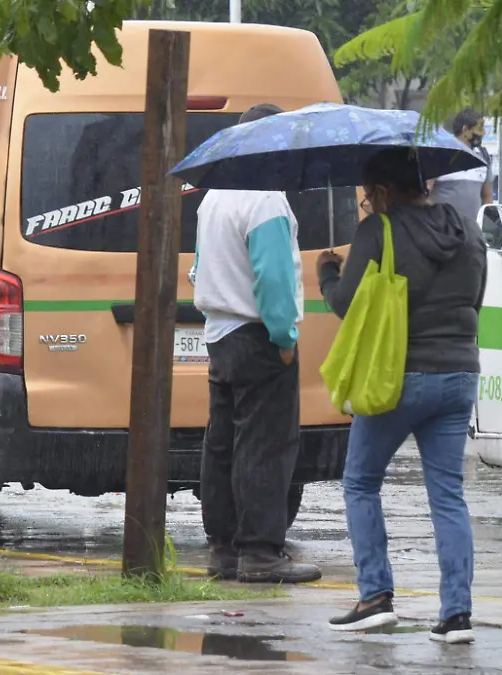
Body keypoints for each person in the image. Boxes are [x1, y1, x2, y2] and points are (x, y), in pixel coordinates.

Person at [316, 147, 486, 643]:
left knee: (361, 481)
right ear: (425, 184)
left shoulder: (379, 231)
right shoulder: (467, 230)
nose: (368, 204)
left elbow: (347, 305)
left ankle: (375, 597)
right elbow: (474, 297)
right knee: (448, 495)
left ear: (385, 192)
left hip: (398, 376)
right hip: (459, 373)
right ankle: (457, 615)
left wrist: (328, 273)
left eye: (369, 197)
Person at [192, 103, 322, 585]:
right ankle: (260, 553)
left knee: (222, 444)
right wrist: (285, 337)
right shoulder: (266, 201)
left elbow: (199, 265)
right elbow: (273, 281)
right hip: (259, 336)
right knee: (265, 446)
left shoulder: (214, 197)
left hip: (220, 334)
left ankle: (223, 549)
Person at [428, 107, 494, 225]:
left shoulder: (483, 157)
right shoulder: (441, 154)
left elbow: (487, 196)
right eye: (479, 129)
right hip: (443, 231)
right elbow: (426, 193)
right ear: (465, 130)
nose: (482, 133)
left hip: (472, 233)